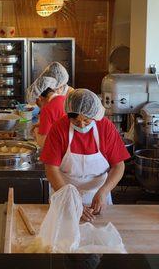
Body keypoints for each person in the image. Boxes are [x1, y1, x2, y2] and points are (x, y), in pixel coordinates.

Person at [40, 89, 130, 221]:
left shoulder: (105, 127)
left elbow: (118, 166)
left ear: (94, 115)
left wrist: (104, 191)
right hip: (65, 194)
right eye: (75, 122)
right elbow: (51, 169)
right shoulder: (59, 128)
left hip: (98, 198)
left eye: (86, 121)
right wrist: (71, 201)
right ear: (68, 115)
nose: (81, 125)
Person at [25, 76, 67, 147]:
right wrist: (39, 125)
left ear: (39, 98)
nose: (38, 107)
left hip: (58, 147)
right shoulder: (65, 98)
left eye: (36, 103)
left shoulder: (47, 109)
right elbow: (58, 122)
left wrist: (36, 133)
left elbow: (42, 143)